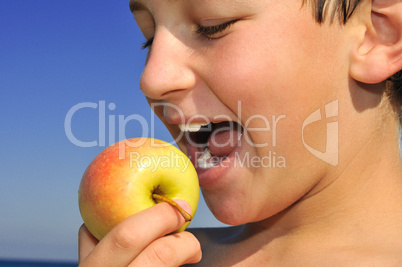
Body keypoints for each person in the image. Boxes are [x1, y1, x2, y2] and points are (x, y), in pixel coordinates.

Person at [78, 0, 402, 265]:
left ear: (378, 34)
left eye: (212, 26)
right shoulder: (161, 260)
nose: (151, 79)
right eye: (149, 38)